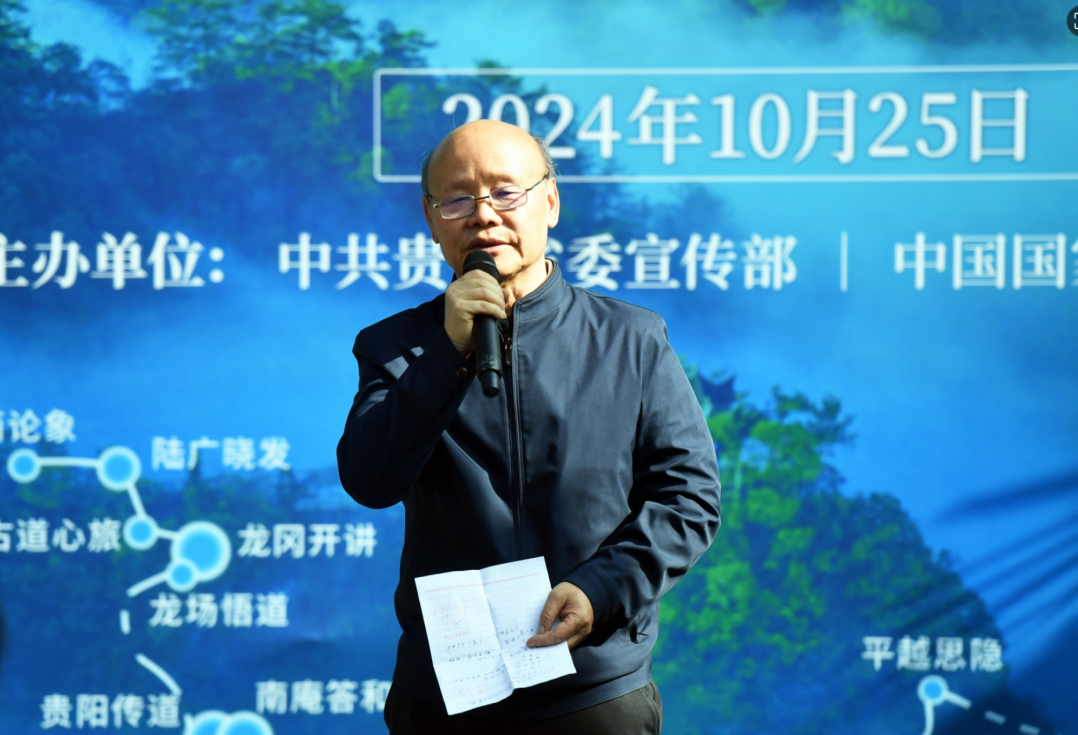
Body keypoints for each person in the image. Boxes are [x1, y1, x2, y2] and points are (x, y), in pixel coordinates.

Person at [337, 119, 721, 734]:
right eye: (457, 199)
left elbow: (688, 498)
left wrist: (600, 591)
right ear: (432, 220)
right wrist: (446, 355)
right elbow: (371, 481)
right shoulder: (394, 348)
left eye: (505, 192)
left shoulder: (631, 340)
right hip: (445, 697)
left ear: (551, 202)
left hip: (592, 690)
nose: (484, 215)